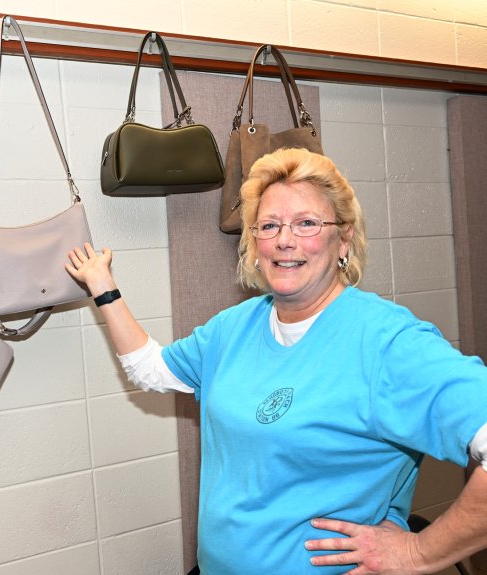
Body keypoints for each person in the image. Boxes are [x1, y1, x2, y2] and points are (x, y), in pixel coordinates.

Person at [66, 147, 487, 574]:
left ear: (343, 239)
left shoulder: (387, 342)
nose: (285, 240)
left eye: (307, 223)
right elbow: (151, 370)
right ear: (254, 243)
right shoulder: (234, 328)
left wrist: (418, 554)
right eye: (269, 225)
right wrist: (103, 287)